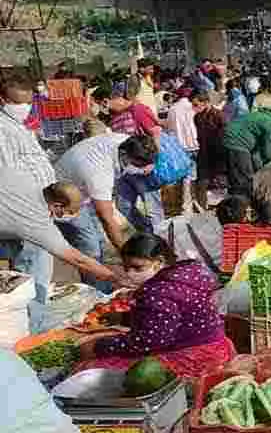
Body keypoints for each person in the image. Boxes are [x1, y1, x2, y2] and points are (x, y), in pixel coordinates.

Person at [78, 234, 231, 378]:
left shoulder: (156, 292)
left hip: (195, 356)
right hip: (218, 346)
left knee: (91, 369)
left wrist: (101, 346)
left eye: (137, 268)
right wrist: (125, 318)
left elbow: (150, 342)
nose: (129, 273)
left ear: (159, 262)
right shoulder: (190, 273)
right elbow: (171, 316)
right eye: (126, 268)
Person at [54, 133, 158, 291]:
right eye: (138, 165)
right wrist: (128, 257)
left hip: (85, 190)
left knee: (101, 243)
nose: (143, 171)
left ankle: (102, 278)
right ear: (124, 155)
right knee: (90, 246)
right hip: (65, 199)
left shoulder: (127, 142)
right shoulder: (100, 172)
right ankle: (98, 293)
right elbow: (106, 218)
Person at [0, 173, 119, 309]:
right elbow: (78, 260)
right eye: (66, 212)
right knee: (36, 253)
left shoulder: (25, 179)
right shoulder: (37, 221)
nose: (63, 217)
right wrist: (114, 277)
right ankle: (33, 312)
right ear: (57, 205)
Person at [222, 108, 271, 198]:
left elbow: (256, 152)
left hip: (228, 139)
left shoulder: (259, 116)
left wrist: (259, 168)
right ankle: (242, 205)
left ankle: (237, 200)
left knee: (236, 176)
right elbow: (268, 153)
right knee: (243, 179)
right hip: (237, 143)